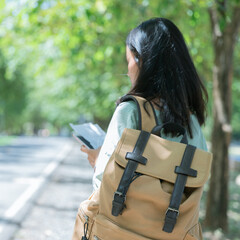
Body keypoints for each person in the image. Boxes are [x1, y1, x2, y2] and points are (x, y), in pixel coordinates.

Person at [80, 17, 208, 191]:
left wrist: (98, 161)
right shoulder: (190, 121)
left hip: (127, 218)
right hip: (177, 218)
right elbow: (198, 183)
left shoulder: (130, 111)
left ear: (142, 61)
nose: (127, 70)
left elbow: (104, 182)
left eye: (129, 60)